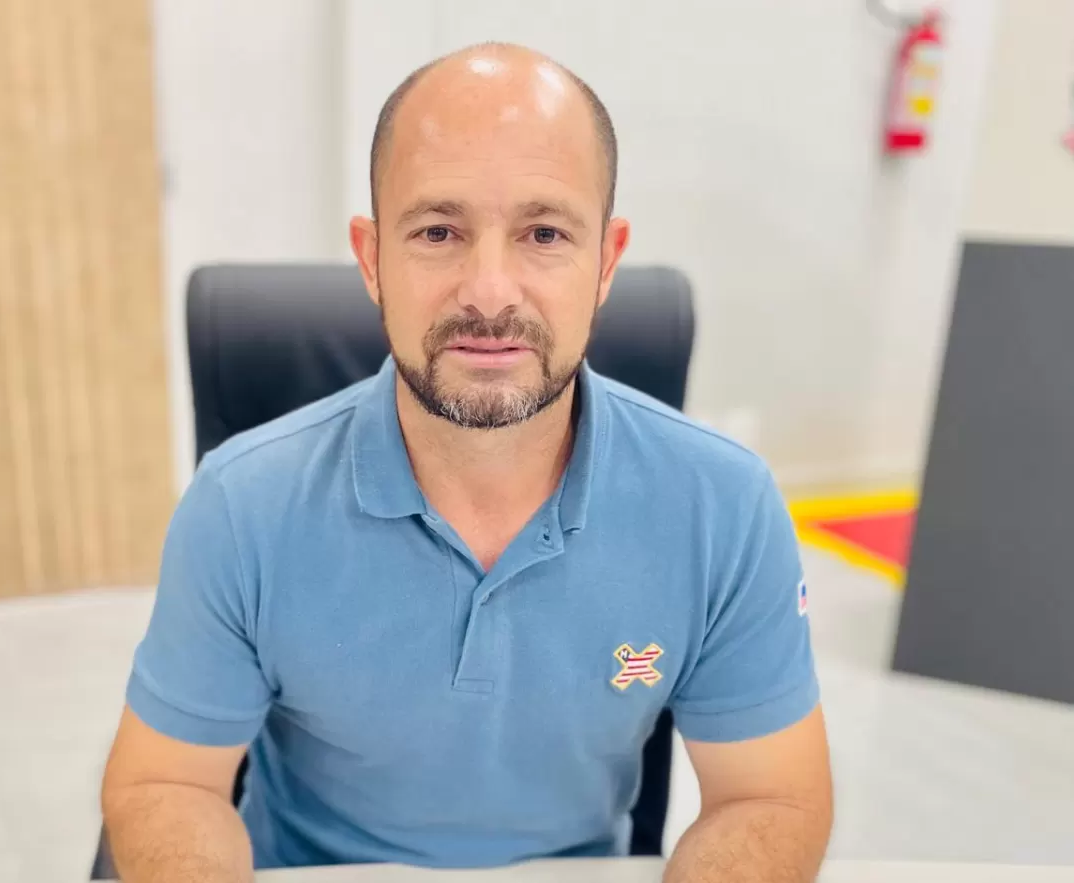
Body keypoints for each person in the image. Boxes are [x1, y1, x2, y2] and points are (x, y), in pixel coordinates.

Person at [101, 42, 833, 883]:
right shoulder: (240, 505)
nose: (489, 291)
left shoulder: (724, 505)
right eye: (438, 231)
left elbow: (770, 798)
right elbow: (167, 783)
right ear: (372, 258)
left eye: (544, 233)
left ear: (606, 261)